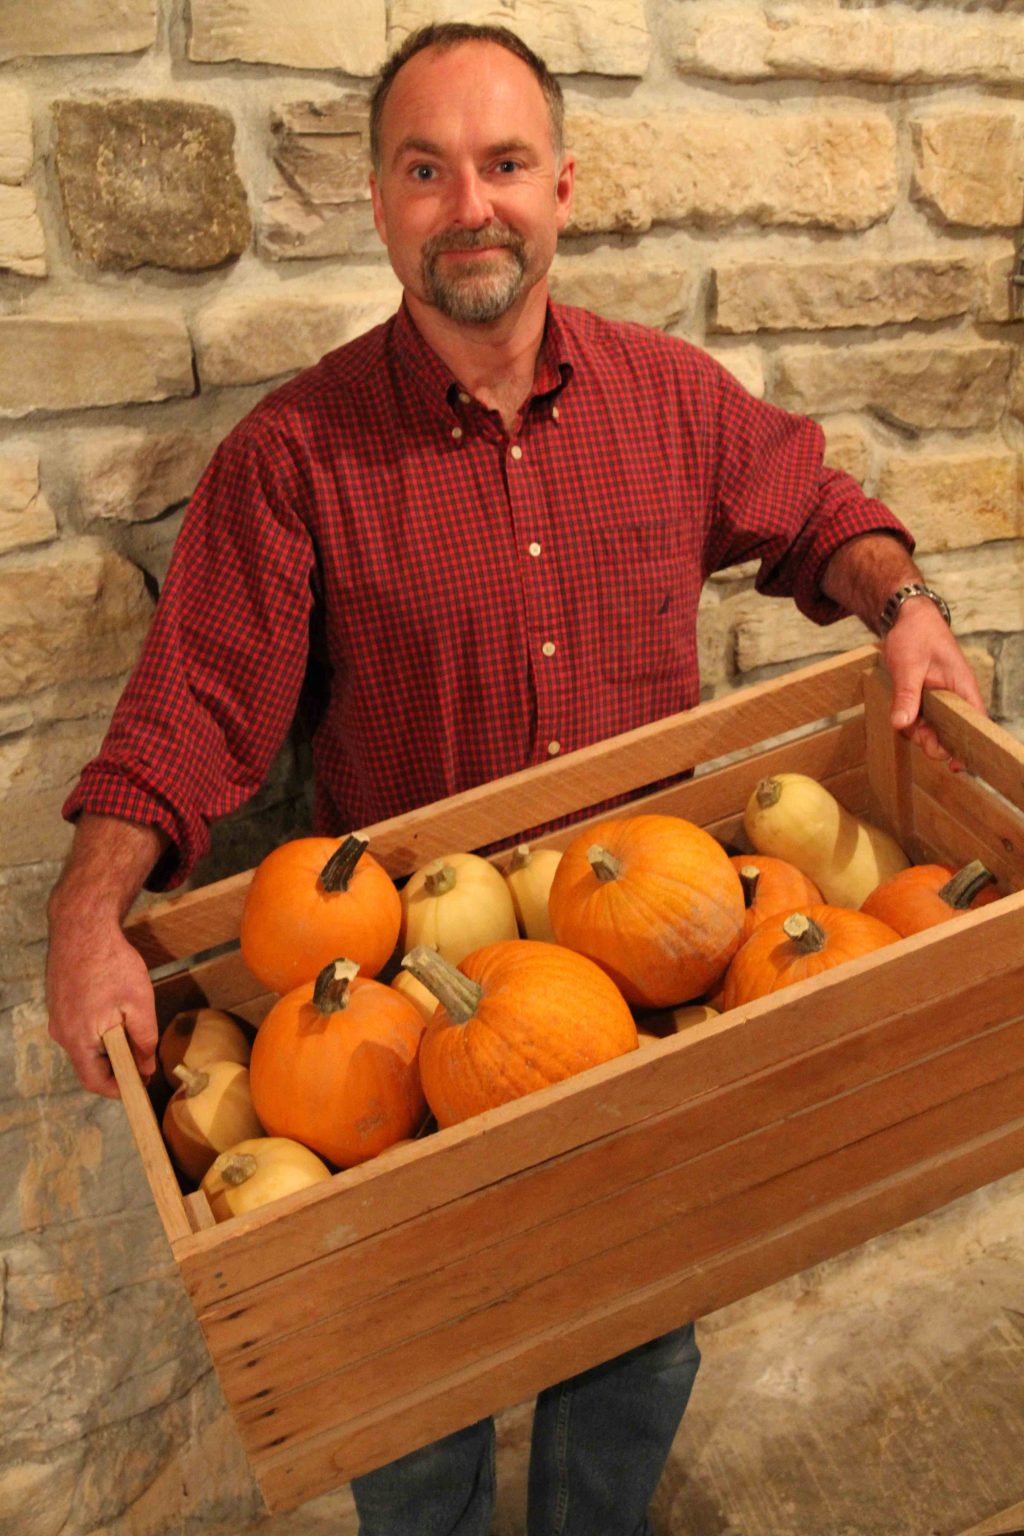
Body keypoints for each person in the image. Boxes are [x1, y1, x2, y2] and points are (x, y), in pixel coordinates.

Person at [46, 21, 985, 1535]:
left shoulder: (670, 402)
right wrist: (89, 915)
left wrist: (909, 605)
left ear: (563, 185)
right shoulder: (296, 457)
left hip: (648, 983)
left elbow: (818, 504)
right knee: (412, 1406)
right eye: (427, 171)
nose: (468, 204)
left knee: (636, 1345)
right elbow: (184, 718)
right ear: (376, 201)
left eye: (500, 165)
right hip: (404, 1034)